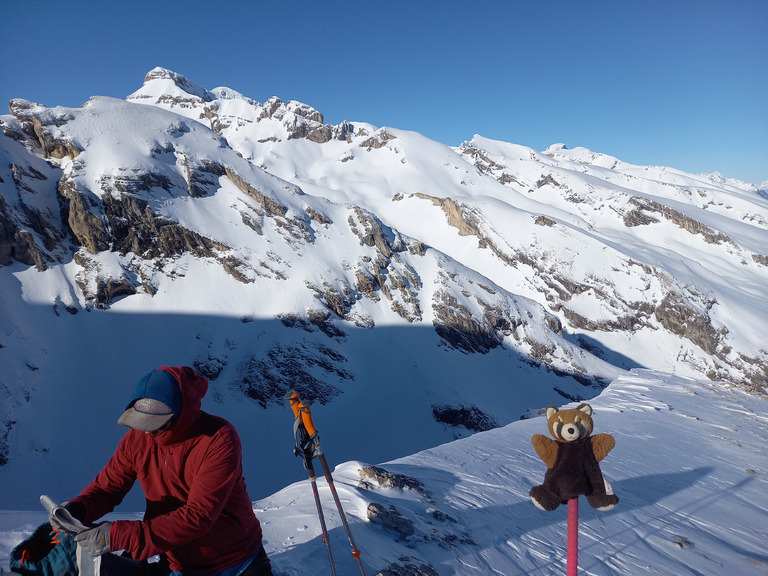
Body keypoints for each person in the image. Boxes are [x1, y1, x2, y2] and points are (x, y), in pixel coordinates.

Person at [50, 366, 273, 576]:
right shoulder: (137, 439)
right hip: (178, 562)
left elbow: (199, 515)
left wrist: (120, 535)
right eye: (142, 423)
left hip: (236, 561)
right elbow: (107, 489)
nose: (147, 432)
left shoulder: (218, 438)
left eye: (155, 424)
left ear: (182, 412)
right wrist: (78, 509)